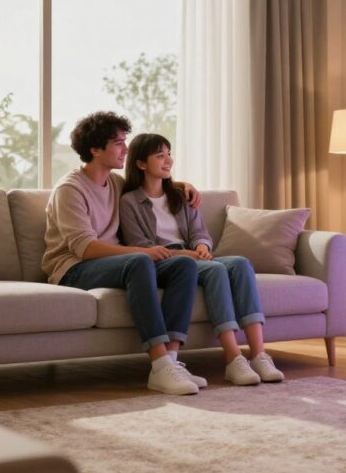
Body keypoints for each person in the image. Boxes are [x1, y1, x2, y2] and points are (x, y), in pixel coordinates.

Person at [43, 112, 204, 395]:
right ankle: (158, 364)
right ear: (95, 149)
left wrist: (182, 185)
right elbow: (85, 248)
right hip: (74, 269)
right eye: (118, 143)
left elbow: (152, 185)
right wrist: (145, 251)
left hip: (114, 264)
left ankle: (171, 360)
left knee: (183, 265)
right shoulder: (70, 189)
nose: (126, 150)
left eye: (125, 142)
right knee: (140, 259)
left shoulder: (116, 183)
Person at [119, 133, 284, 386]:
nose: (168, 161)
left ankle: (260, 355)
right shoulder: (129, 202)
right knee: (216, 271)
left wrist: (201, 246)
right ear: (141, 164)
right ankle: (233, 358)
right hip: (165, 261)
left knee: (240, 263)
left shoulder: (180, 196)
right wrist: (185, 254)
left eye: (169, 154)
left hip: (194, 255)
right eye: (160, 155)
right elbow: (140, 245)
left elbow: (200, 232)